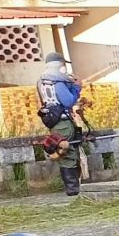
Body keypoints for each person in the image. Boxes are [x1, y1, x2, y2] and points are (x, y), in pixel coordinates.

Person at [36, 53, 86, 197]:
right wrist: (76, 88)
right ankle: (73, 189)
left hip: (53, 121)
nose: (65, 68)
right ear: (59, 64)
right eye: (63, 64)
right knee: (67, 152)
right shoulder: (57, 81)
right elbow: (68, 101)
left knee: (63, 151)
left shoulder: (42, 80)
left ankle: (73, 187)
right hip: (63, 122)